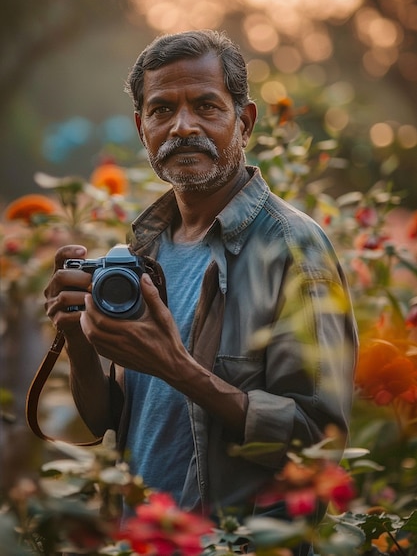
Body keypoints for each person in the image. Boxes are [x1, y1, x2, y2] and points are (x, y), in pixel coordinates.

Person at [44, 30, 357, 529]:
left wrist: (177, 367)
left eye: (206, 106)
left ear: (245, 121)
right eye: (162, 109)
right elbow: (109, 421)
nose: (182, 127)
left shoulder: (292, 249)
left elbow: (318, 448)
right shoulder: (143, 250)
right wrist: (78, 343)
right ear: (141, 126)